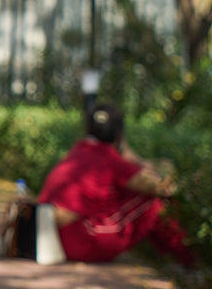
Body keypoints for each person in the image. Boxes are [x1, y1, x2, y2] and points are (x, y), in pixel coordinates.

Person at [38, 101, 195, 267]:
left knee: (127, 196)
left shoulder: (77, 151)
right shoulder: (109, 159)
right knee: (152, 203)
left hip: (52, 240)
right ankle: (189, 261)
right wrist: (133, 157)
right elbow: (160, 186)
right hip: (81, 243)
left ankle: (173, 261)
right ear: (118, 133)